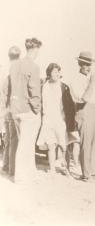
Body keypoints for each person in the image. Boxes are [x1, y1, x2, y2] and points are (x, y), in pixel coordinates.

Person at [5, 38, 42, 184]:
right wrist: (37, 108)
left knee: (22, 142)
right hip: (28, 110)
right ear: (36, 49)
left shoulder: (14, 66)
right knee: (26, 144)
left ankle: (29, 174)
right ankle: (22, 176)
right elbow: (34, 90)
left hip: (15, 110)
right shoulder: (33, 66)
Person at [36, 63, 76, 176]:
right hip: (48, 119)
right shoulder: (44, 86)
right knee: (51, 145)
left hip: (60, 120)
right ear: (49, 73)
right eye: (54, 71)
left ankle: (65, 167)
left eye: (58, 71)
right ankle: (52, 169)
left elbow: (69, 106)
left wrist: (70, 122)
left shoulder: (63, 87)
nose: (57, 74)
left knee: (63, 145)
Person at [69, 51, 95, 182]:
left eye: (89, 65)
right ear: (79, 64)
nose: (88, 67)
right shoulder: (75, 79)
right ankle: (85, 173)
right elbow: (83, 98)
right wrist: (92, 83)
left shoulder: (90, 78)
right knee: (85, 142)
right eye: (85, 64)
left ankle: (93, 171)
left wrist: (93, 82)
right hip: (84, 109)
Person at [1, 46, 21, 176]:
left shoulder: (7, 75)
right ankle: (12, 169)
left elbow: (3, 96)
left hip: (7, 111)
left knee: (9, 140)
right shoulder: (16, 74)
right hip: (14, 111)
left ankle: (6, 165)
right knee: (14, 140)